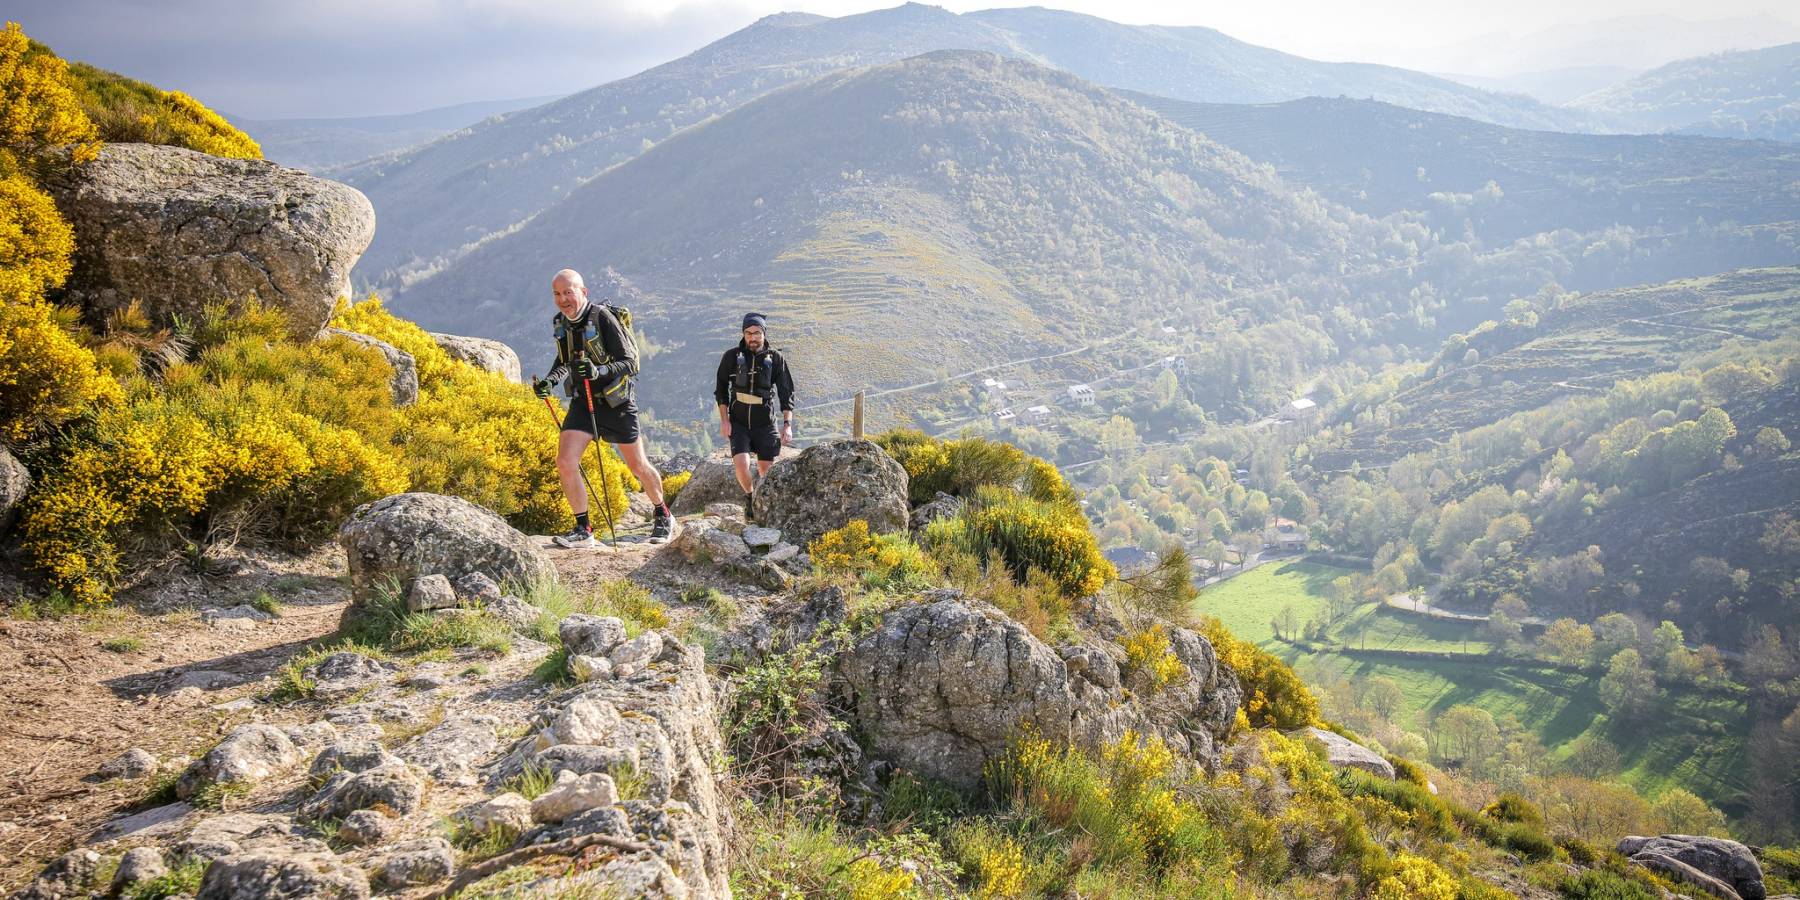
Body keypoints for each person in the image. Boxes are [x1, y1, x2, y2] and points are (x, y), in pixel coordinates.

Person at [532, 268, 674, 547]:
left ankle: (663, 513)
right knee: (565, 461)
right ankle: (584, 530)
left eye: (568, 292)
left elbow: (630, 363)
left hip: (617, 402)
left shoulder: (602, 318)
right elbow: (564, 361)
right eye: (557, 294)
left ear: (583, 292)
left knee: (637, 465)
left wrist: (599, 371)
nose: (562, 299)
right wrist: (550, 381)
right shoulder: (561, 323)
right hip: (583, 402)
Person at [715, 312, 795, 521]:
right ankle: (750, 498)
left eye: (757, 333)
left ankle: (765, 504)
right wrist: (725, 420)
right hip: (739, 421)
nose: (752, 337)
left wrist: (787, 424)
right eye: (748, 333)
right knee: (741, 463)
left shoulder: (775, 358)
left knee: (765, 470)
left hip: (765, 422)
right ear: (743, 334)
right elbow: (721, 390)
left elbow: (786, 393)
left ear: (764, 333)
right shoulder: (731, 357)